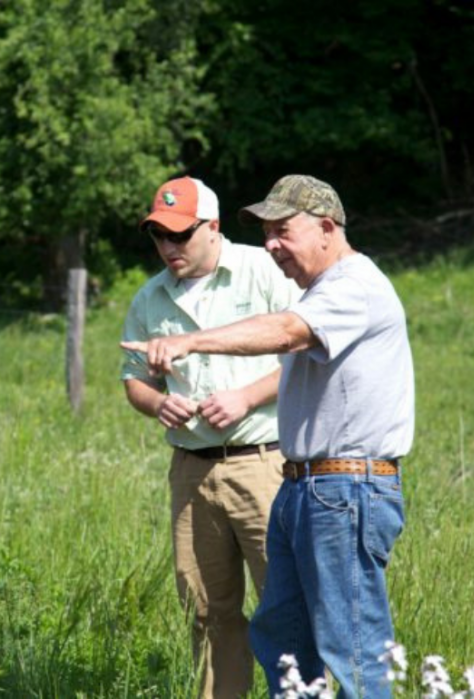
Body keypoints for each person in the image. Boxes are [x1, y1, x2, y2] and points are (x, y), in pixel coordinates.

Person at [121, 175, 414, 699]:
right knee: (284, 637)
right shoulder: (317, 288)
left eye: (283, 231)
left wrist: (190, 343)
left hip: (344, 487)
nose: (272, 244)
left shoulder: (354, 285)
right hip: (302, 486)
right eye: (266, 233)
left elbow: (283, 332)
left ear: (326, 228)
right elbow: (134, 382)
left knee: (351, 648)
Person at [120, 176, 300, 699]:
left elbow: (306, 355)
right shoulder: (150, 297)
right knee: (205, 608)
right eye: (159, 236)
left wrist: (246, 397)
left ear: (214, 227)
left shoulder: (263, 269)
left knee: (284, 605)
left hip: (265, 464)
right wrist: (159, 403)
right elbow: (134, 381)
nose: (168, 247)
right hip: (192, 470)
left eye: (181, 234)